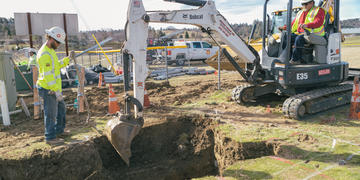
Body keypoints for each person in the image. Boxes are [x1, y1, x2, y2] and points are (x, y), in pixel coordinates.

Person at [36, 26, 72, 145]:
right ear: (51, 38)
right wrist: (56, 92)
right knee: (50, 113)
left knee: (61, 109)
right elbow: (48, 76)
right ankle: (50, 137)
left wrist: (68, 60)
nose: (59, 45)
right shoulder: (44, 54)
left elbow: (55, 66)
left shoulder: (51, 51)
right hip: (48, 89)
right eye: (58, 42)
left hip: (54, 88)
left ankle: (59, 130)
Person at [279, 0, 326, 64]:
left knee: (299, 38)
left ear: (312, 3)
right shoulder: (300, 12)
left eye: (306, 4)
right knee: (286, 36)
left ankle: (296, 60)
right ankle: (287, 58)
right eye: (303, 4)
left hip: (314, 34)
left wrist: (307, 25)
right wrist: (284, 28)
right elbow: (293, 24)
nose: (304, 6)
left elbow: (318, 22)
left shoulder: (319, 10)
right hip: (302, 34)